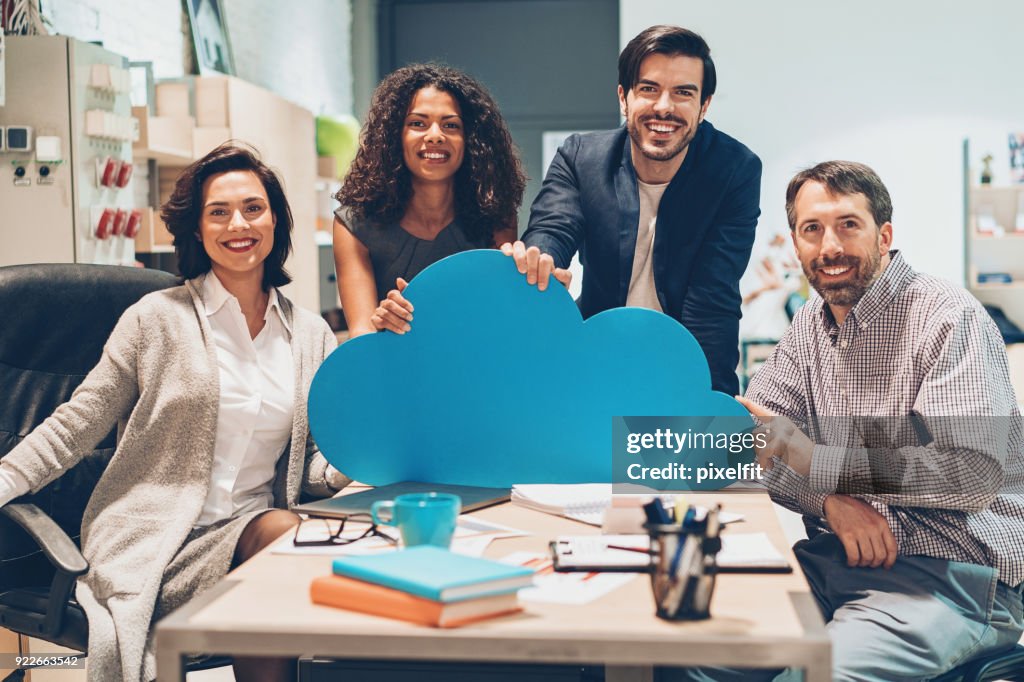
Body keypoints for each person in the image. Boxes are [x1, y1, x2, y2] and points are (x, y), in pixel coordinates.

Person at [0, 143, 350, 682]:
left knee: (296, 545)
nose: (240, 224)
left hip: (250, 535)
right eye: (220, 212)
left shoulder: (310, 335)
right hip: (150, 544)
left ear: (276, 219)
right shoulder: (155, 320)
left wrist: (345, 466)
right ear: (198, 229)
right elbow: (75, 425)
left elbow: (312, 460)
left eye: (254, 208)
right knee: (282, 552)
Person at [673, 161, 1024, 681]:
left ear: (884, 234)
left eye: (848, 225)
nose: (829, 246)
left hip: (950, 578)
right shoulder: (810, 326)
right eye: (812, 229)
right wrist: (829, 501)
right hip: (833, 560)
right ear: (796, 245)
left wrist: (814, 456)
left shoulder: (949, 316)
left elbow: (969, 471)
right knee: (688, 652)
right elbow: (753, 439)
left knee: (813, 678)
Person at [502, 25, 762, 395]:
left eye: (683, 93)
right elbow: (552, 228)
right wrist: (541, 259)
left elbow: (712, 300)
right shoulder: (581, 157)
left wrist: (709, 407)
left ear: (704, 105)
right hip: (593, 360)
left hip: (681, 361)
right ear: (624, 98)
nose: (664, 107)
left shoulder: (734, 170)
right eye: (649, 89)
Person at [334, 63, 525, 336]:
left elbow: (497, 317)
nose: (435, 135)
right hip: (393, 370)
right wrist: (382, 321)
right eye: (417, 123)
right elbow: (361, 337)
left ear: (470, 140)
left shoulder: (495, 214)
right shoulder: (353, 225)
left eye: (451, 125)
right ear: (394, 137)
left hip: (474, 368)